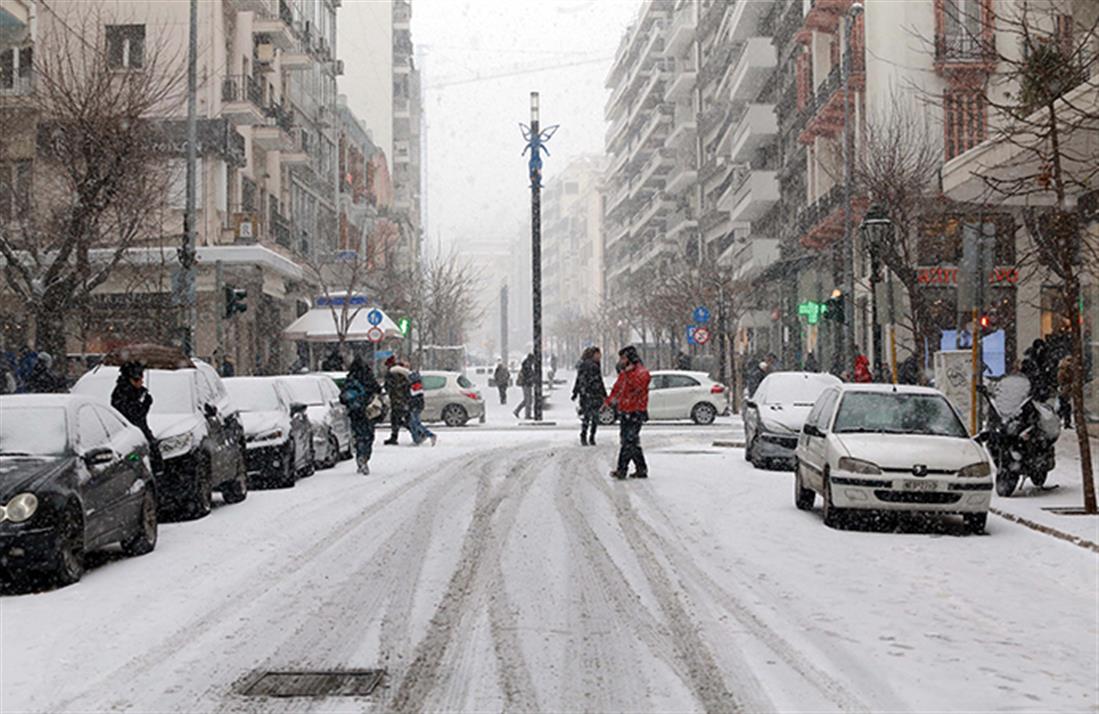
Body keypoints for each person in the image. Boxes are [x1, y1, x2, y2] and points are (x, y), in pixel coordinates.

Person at [605, 345, 651, 479]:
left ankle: (622, 469)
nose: (620, 361)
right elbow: (617, 389)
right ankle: (641, 468)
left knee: (628, 441)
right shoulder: (625, 374)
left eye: (623, 358)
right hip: (626, 410)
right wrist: (608, 402)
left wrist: (628, 374)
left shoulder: (640, 373)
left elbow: (638, 388)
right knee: (631, 441)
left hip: (636, 411)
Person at [111, 361, 162, 474]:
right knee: (136, 461)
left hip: (139, 432)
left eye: (142, 379)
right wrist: (145, 404)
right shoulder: (122, 394)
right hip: (131, 436)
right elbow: (135, 415)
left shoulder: (135, 392)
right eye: (138, 379)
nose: (141, 382)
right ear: (130, 379)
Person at [339, 356, 382, 474]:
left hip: (354, 412)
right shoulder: (368, 377)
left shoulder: (350, 378)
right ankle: (365, 457)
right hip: (367, 411)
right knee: (368, 435)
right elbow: (377, 389)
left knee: (358, 435)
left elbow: (342, 397)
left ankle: (360, 455)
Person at [572, 347, 607, 446]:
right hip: (594, 394)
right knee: (595, 417)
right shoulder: (594, 366)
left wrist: (576, 392)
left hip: (586, 395)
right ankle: (591, 437)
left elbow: (579, 380)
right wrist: (604, 394)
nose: (600, 356)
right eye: (599, 354)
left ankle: (584, 435)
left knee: (587, 417)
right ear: (594, 354)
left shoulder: (583, 365)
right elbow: (599, 381)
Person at [403, 366, 437, 446]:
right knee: (413, 423)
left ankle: (430, 435)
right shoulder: (417, 384)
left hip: (415, 406)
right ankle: (418, 439)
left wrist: (410, 403)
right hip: (417, 406)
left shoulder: (415, 386)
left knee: (415, 423)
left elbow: (413, 396)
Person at [384, 355, 410, 444]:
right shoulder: (400, 372)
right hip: (402, 400)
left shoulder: (393, 373)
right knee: (399, 419)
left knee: (396, 419)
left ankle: (418, 432)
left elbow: (390, 387)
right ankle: (417, 431)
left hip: (397, 400)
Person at [513, 353, 535, 420]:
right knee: (528, 400)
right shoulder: (527, 365)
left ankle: (517, 411)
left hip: (526, 384)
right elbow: (528, 375)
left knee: (527, 400)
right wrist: (532, 377)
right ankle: (527, 415)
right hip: (526, 384)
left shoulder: (526, 364)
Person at [1057, 354, 1076, 428]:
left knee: (1066, 407)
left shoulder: (1070, 370)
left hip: (1067, 391)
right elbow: (1061, 381)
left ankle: (1066, 422)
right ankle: (1063, 422)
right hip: (1064, 391)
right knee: (1064, 407)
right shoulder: (1062, 371)